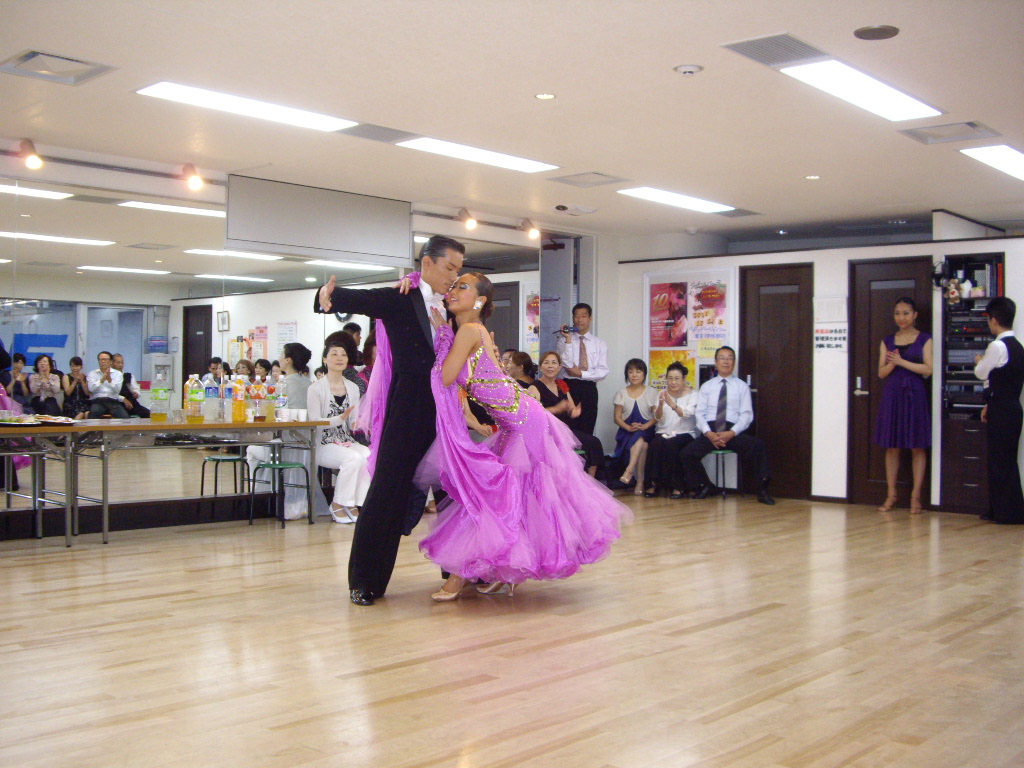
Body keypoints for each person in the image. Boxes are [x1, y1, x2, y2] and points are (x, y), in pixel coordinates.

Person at [419, 274, 630, 601]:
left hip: (523, 422)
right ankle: (503, 573)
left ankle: (461, 577)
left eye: (463, 286)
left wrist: (443, 335)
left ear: (480, 301)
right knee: (504, 497)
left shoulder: (469, 330)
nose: (454, 290)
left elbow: (445, 376)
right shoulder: (474, 331)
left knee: (501, 497)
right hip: (516, 421)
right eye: (454, 285)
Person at [315, 234, 465, 606]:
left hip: (447, 412)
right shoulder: (402, 296)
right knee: (387, 492)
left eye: (458, 271)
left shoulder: (453, 306)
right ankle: (365, 581)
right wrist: (329, 296)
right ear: (427, 263)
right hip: (409, 410)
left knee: (454, 491)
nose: (453, 277)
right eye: (449, 268)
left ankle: (460, 573)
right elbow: (368, 299)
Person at [680, 346, 775, 505]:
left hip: (732, 431)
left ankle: (762, 490)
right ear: (716, 362)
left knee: (758, 446)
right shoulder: (707, 386)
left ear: (734, 362)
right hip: (711, 431)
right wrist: (709, 433)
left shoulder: (741, 386)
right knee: (686, 454)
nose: (726, 361)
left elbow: (747, 415)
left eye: (730, 358)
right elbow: (700, 414)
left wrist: (732, 433)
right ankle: (706, 485)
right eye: (722, 358)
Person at [874, 296, 933, 514]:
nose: (902, 317)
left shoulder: (925, 339)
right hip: (893, 395)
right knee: (892, 446)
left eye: (906, 313)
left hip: (915, 395)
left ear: (915, 315)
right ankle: (891, 494)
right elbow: (881, 373)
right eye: (897, 313)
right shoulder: (887, 340)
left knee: (917, 445)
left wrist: (901, 362)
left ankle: (916, 497)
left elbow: (928, 369)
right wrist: (892, 364)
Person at [306, 335, 371, 522]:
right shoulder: (315, 389)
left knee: (368, 455)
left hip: (345, 441)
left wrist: (358, 422)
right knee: (352, 458)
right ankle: (338, 503)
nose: (339, 358)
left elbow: (351, 421)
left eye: (343, 354)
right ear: (325, 359)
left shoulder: (352, 387)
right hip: (323, 443)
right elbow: (314, 421)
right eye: (334, 354)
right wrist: (338, 419)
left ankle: (354, 502)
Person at [974, 296, 1024, 524]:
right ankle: (1002, 510)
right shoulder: (1018, 346)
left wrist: (980, 360)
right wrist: (988, 405)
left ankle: (1007, 513)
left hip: (1001, 410)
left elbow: (981, 373)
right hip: (1011, 408)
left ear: (994, 320)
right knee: (1006, 460)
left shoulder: (997, 345)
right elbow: (1004, 381)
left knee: (999, 461)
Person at [527, 351, 605, 477]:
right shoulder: (534, 387)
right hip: (547, 432)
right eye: (546, 363)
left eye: (554, 363)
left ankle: (591, 481)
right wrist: (555, 409)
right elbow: (532, 414)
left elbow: (571, 408)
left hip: (565, 430)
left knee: (594, 443)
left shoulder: (561, 384)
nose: (550, 366)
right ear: (541, 367)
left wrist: (574, 411)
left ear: (559, 367)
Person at [644, 362, 698, 499]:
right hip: (664, 432)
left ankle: (677, 486)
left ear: (684, 379)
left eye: (677, 378)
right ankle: (654, 483)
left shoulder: (693, 395)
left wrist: (672, 404)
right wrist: (661, 405)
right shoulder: (662, 394)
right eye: (670, 378)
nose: (673, 382)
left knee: (671, 445)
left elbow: (686, 414)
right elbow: (657, 418)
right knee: (655, 444)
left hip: (684, 433)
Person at [556, 303, 609, 435]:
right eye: (576, 316)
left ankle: (586, 449)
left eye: (583, 316)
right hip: (568, 387)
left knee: (587, 427)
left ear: (590, 319)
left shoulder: (599, 343)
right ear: (573, 318)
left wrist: (581, 374)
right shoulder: (563, 341)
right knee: (567, 428)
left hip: (589, 388)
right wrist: (568, 340)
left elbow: (603, 371)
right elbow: (566, 365)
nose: (579, 319)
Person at [611, 358, 659, 495]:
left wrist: (645, 426)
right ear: (627, 374)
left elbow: (657, 416)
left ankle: (629, 471)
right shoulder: (621, 393)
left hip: (647, 430)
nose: (634, 375)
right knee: (642, 444)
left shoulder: (651, 392)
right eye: (631, 371)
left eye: (638, 371)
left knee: (640, 437)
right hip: (626, 431)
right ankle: (640, 482)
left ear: (644, 374)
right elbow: (617, 418)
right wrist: (628, 428)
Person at [87, 351, 130, 418]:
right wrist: (102, 380)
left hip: (113, 401)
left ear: (111, 362)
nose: (103, 361)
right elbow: (91, 389)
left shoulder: (118, 374)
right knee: (93, 414)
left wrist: (109, 379)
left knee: (125, 417)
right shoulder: (92, 373)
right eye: (101, 359)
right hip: (98, 401)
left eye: (105, 359)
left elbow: (117, 390)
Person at [112, 353, 150, 418]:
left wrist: (136, 394)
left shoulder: (129, 376)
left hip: (132, 403)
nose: (120, 365)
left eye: (122, 362)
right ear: (112, 363)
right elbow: (110, 394)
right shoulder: (109, 377)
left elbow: (136, 389)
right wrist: (123, 399)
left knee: (148, 414)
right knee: (124, 416)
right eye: (118, 363)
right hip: (117, 404)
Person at [279, 342, 313, 409]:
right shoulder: (309, 383)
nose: (279, 359)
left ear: (288, 360)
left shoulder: (283, 384)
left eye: (281, 355)